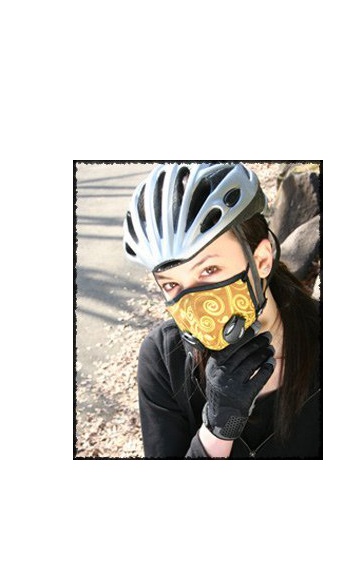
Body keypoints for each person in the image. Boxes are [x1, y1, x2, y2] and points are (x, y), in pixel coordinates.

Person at [123, 162, 322, 458]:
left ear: (261, 260)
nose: (194, 304)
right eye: (171, 284)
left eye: (209, 270)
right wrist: (218, 428)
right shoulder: (163, 358)